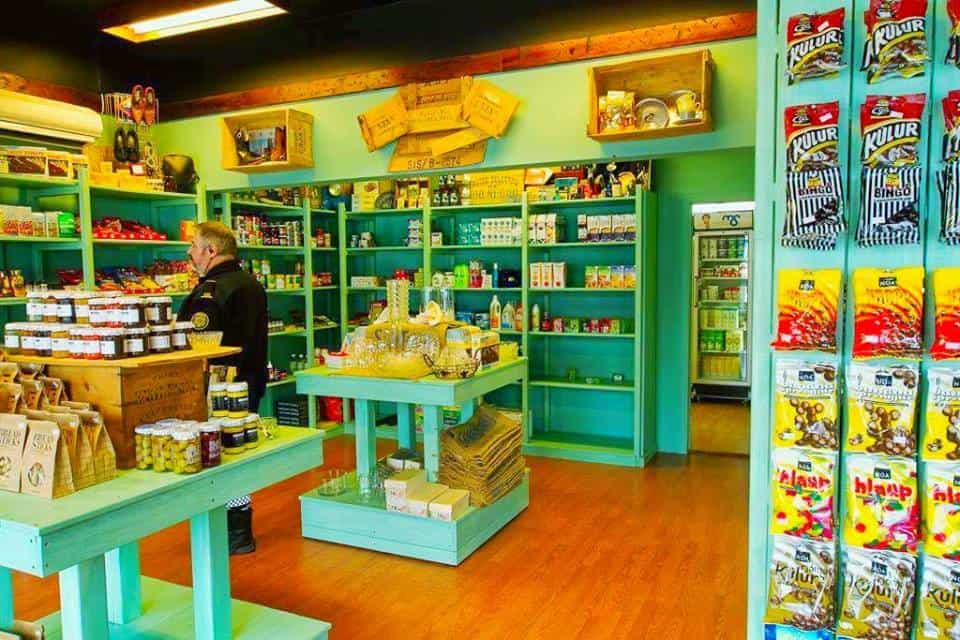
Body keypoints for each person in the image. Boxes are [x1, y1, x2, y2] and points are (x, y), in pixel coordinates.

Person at [179, 221, 267, 555]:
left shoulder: (212, 291)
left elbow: (198, 344)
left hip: (218, 390)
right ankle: (238, 527)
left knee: (219, 456)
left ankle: (230, 531)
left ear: (211, 251)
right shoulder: (251, 284)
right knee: (239, 454)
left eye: (194, 246)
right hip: (249, 384)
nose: (190, 253)